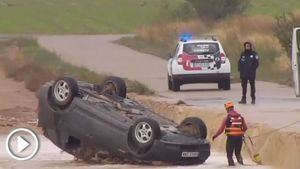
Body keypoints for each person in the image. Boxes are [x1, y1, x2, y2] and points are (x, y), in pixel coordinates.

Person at [212, 101, 248, 166]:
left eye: (226, 109)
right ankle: (241, 165)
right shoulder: (240, 117)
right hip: (239, 138)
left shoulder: (227, 118)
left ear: (228, 109)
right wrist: (241, 133)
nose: (226, 111)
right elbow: (245, 127)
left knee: (229, 154)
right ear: (233, 108)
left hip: (231, 138)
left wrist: (215, 135)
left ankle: (232, 166)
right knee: (238, 153)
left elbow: (221, 129)